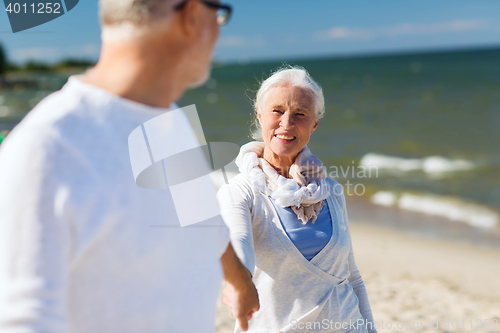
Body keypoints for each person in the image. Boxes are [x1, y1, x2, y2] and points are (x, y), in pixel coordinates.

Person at [0, 0, 259, 332]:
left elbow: (203, 220)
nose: (220, 29)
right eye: (220, 14)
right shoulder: (47, 149)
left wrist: (240, 283)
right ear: (192, 15)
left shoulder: (171, 119)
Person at [217, 66, 377, 333]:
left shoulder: (331, 190)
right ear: (260, 114)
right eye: (277, 111)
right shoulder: (240, 191)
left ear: (314, 124)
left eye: (300, 114)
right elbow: (238, 242)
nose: (287, 123)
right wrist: (239, 282)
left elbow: (351, 277)